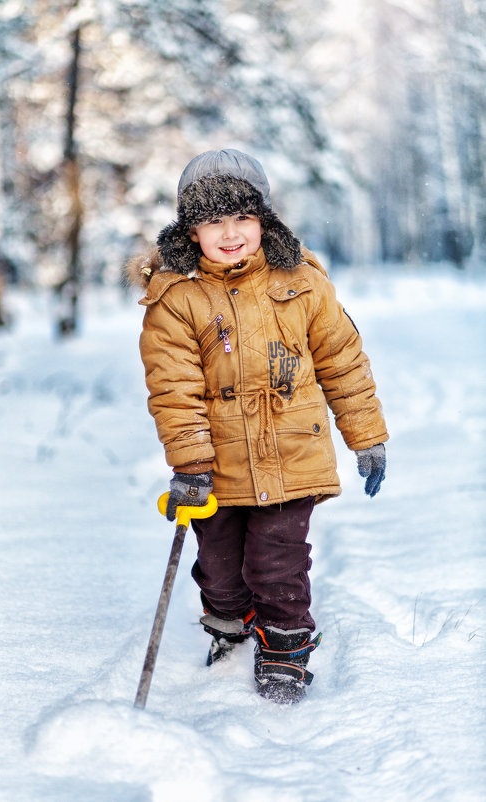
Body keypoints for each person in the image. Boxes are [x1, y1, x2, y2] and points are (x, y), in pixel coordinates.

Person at [128, 148, 388, 704]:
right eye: (213, 220)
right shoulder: (175, 298)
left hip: (292, 454)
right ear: (190, 229)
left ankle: (286, 649)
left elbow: (343, 360)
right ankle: (230, 626)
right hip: (216, 466)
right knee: (220, 569)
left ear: (263, 220)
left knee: (277, 563)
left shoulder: (303, 283)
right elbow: (174, 390)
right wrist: (192, 466)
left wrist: (366, 435)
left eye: (242, 217)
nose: (230, 233)